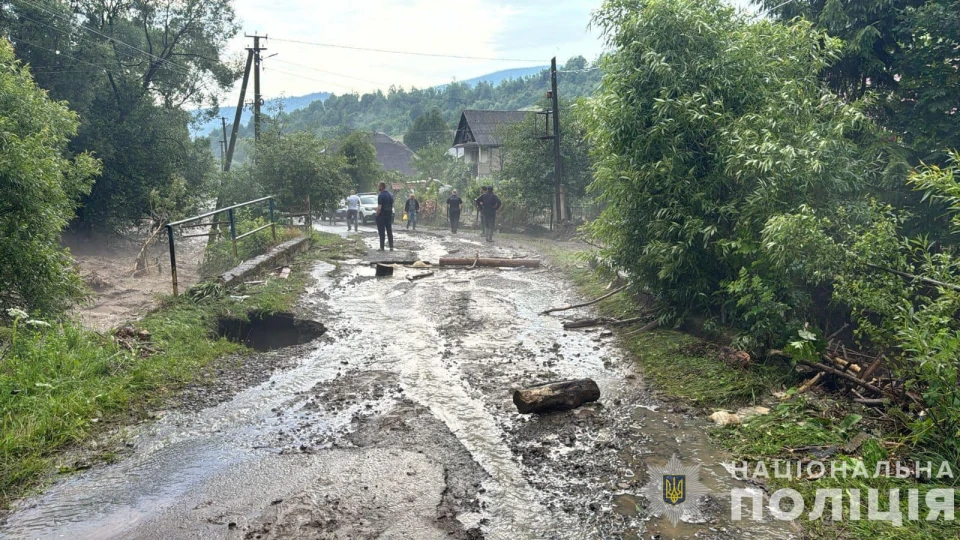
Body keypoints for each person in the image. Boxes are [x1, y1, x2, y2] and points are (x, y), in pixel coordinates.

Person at [375, 181, 394, 251]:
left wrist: (377, 214)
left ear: (381, 187)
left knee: (381, 231)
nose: (378, 187)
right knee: (389, 231)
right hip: (389, 215)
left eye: (378, 186)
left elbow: (379, 207)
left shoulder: (381, 195)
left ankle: (382, 247)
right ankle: (391, 246)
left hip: (382, 216)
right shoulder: (390, 195)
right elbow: (392, 205)